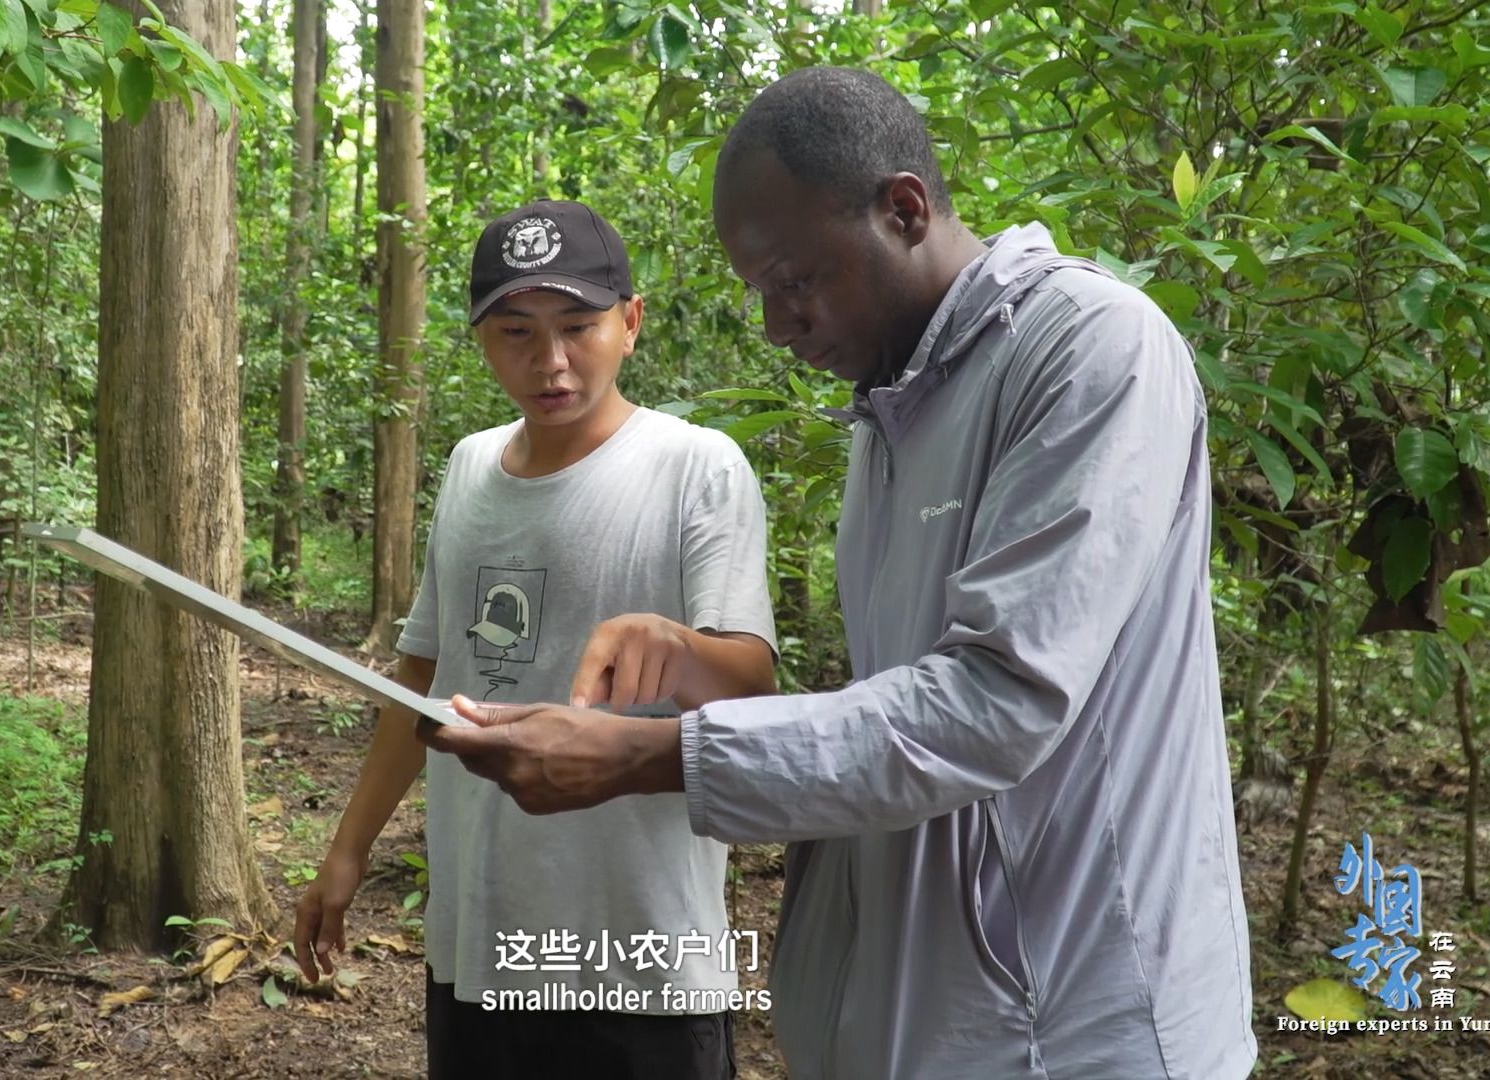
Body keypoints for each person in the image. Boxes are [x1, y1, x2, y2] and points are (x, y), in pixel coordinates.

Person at [424, 68, 1257, 1079]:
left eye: (796, 280)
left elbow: (994, 703)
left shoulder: (1091, 351)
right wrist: (680, 662)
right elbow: (895, 708)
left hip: (1073, 1027)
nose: (780, 326)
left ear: (903, 209)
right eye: (762, 293)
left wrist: (653, 759)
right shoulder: (891, 417)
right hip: (931, 1018)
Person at [293, 199, 778, 1080]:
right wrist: (348, 848)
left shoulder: (696, 466)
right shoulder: (472, 466)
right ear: (481, 338)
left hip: (643, 960)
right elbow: (425, 676)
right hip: (483, 945)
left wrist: (673, 645)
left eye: (579, 327)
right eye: (515, 331)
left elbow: (750, 689)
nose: (550, 361)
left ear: (630, 324)